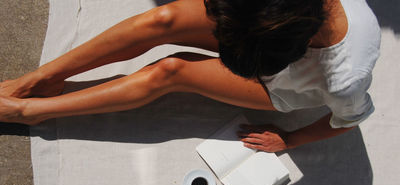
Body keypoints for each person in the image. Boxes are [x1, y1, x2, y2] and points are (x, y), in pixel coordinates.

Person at [0, 0, 380, 153]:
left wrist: (291, 139)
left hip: (285, 85)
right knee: (162, 19)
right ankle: (35, 81)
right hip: (265, 25)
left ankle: (33, 111)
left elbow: (350, 120)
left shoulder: (346, 76)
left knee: (172, 69)